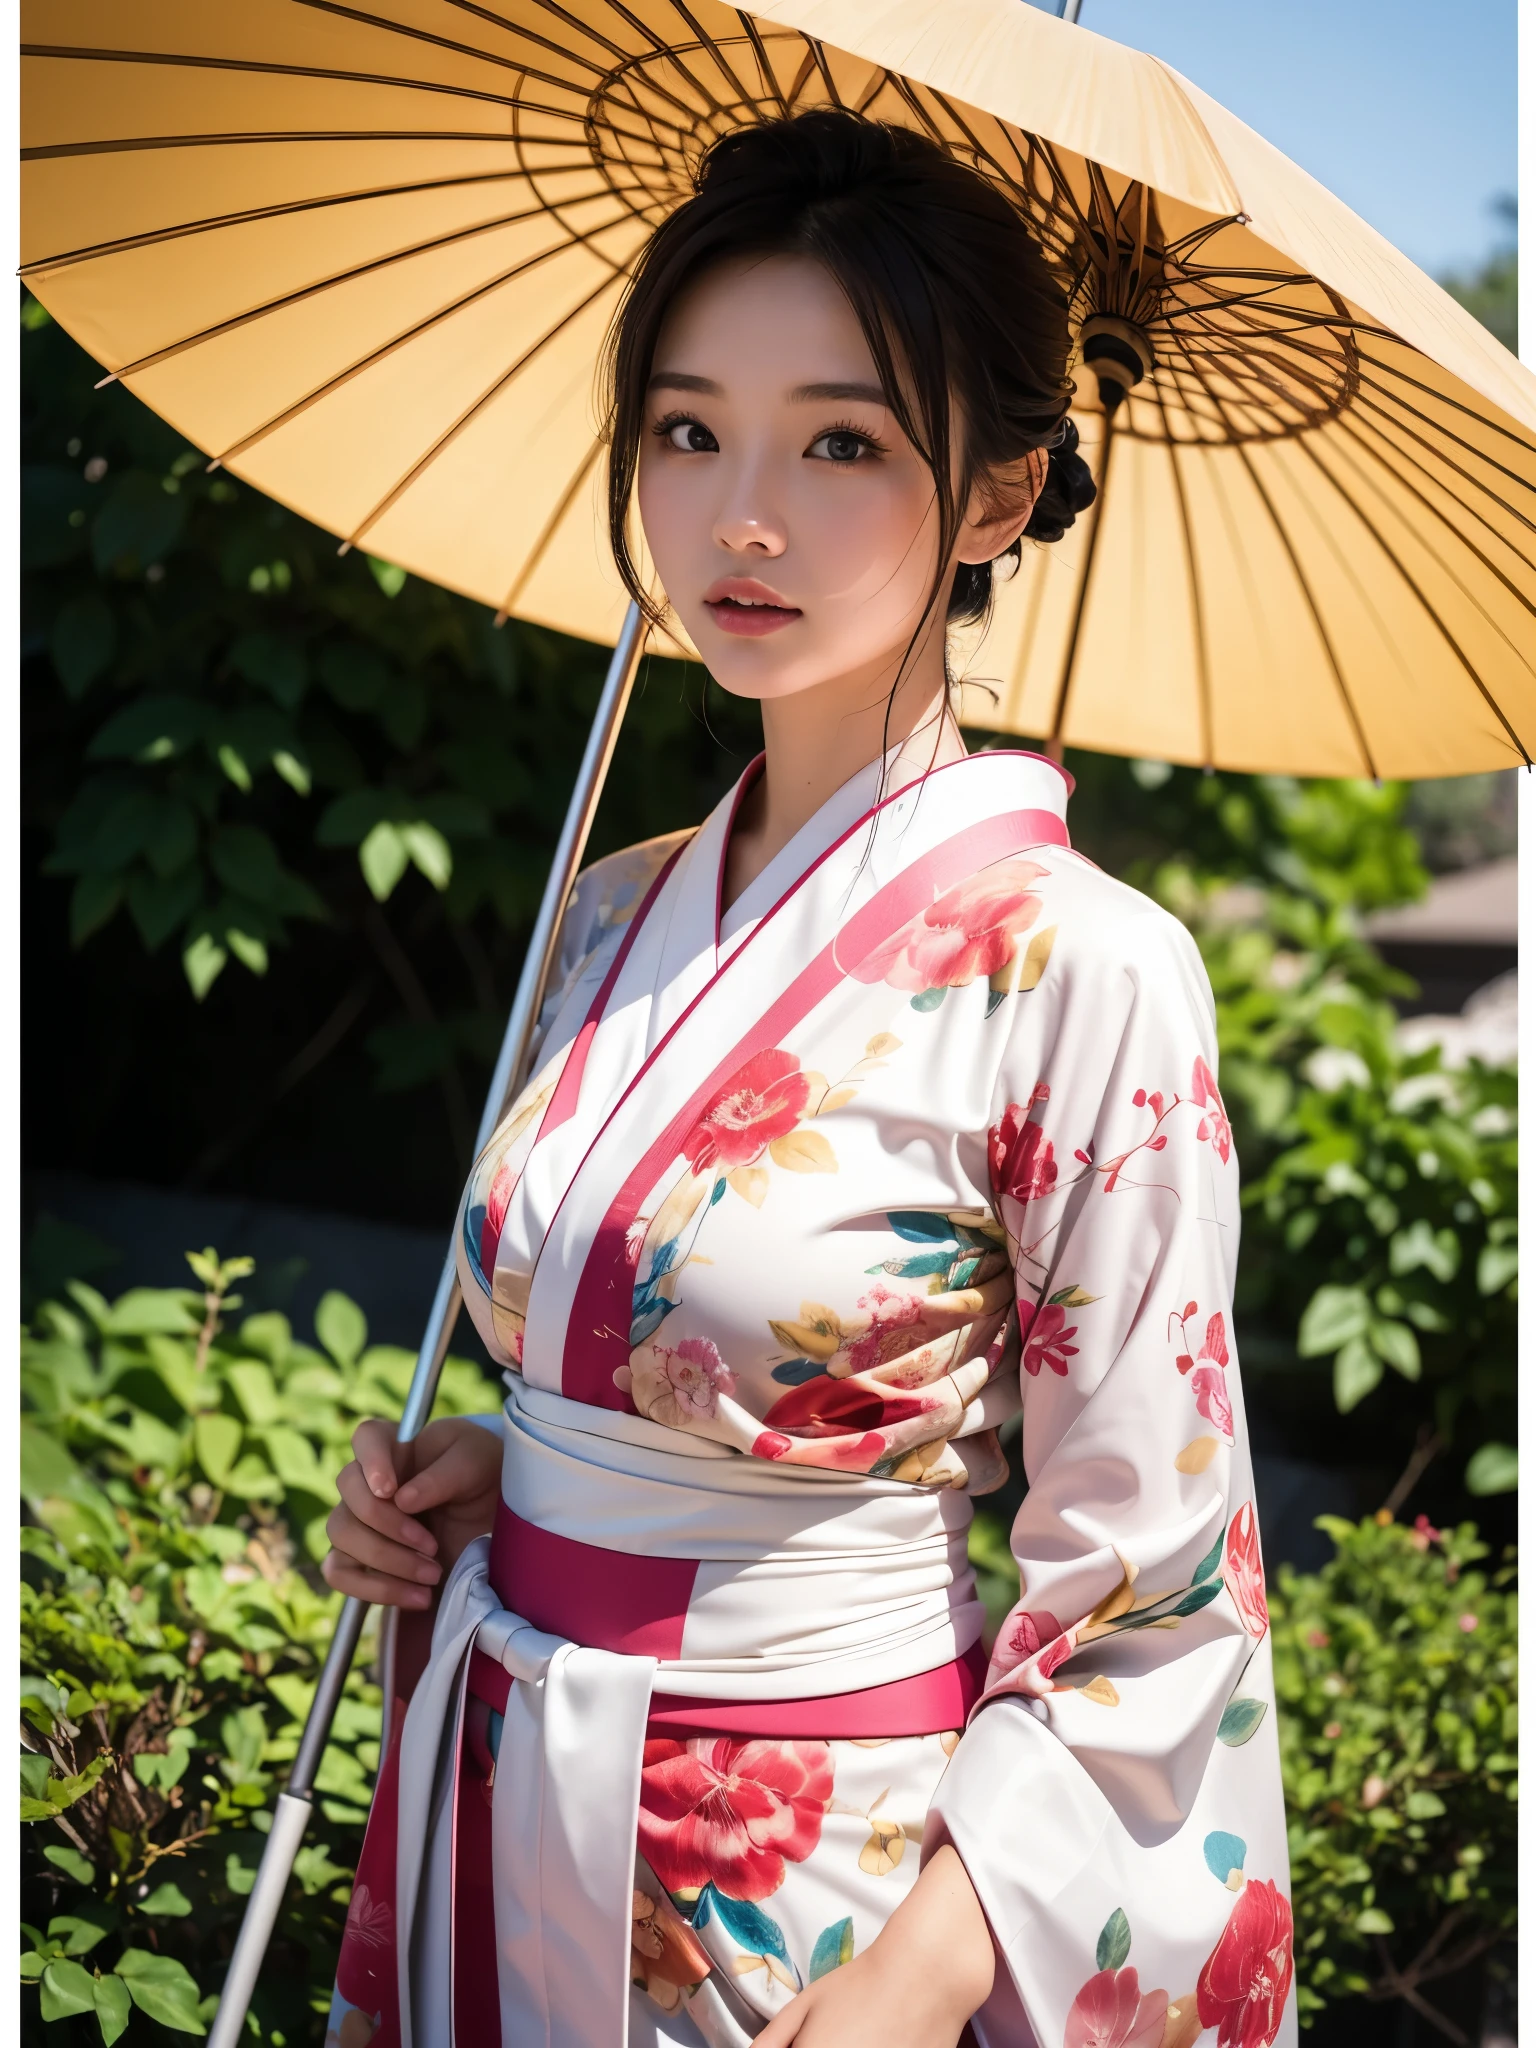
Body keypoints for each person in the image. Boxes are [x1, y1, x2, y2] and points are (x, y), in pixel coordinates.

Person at [322, 110, 1294, 2048]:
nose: (738, 513)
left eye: (841, 441)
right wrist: (490, 1471)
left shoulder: (1086, 966)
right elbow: (652, 1357)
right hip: (499, 1783)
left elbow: (1149, 1592)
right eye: (688, 430)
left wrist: (907, 1991)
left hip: (817, 1901)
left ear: (1002, 491)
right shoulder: (611, 909)